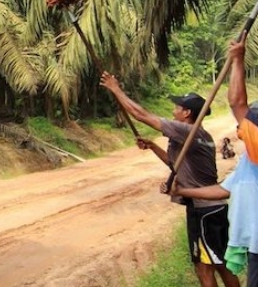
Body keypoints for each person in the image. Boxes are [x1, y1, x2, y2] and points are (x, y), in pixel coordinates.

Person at [99, 72, 239, 287]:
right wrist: (154, 146)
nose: (173, 110)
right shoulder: (199, 135)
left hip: (204, 210)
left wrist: (115, 89)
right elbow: (176, 166)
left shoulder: (187, 130)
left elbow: (141, 115)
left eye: (177, 107)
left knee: (204, 267)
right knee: (220, 264)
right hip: (212, 208)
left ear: (187, 113)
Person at [174, 37, 258, 287]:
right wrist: (182, 191)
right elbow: (222, 190)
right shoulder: (248, 162)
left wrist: (238, 60)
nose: (241, 125)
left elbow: (236, 103)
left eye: (250, 122)